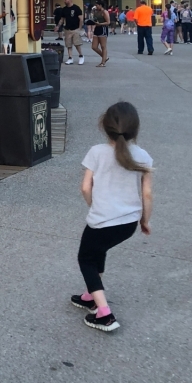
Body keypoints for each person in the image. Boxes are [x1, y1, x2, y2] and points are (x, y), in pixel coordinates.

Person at [72, 101, 153, 333]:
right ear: (135, 130)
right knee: (99, 250)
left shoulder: (97, 152)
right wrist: (144, 220)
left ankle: (104, 314)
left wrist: (94, 206)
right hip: (127, 224)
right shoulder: (143, 156)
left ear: (104, 126)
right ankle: (90, 295)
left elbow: (85, 187)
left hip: (102, 221)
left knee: (86, 259)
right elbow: (147, 193)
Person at [55, 0, 85, 65]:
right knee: (68, 44)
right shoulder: (64, 9)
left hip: (75, 29)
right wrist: (58, 26)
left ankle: (81, 56)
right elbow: (62, 19)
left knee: (77, 44)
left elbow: (81, 19)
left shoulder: (76, 8)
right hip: (67, 29)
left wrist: (80, 28)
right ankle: (70, 58)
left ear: (70, 0)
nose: (64, 1)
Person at [90, 1, 110, 67]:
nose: (96, 7)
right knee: (94, 47)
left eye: (97, 5)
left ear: (100, 5)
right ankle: (105, 57)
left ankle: (103, 62)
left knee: (103, 46)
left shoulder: (104, 12)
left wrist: (100, 24)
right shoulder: (95, 11)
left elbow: (108, 22)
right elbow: (93, 18)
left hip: (102, 28)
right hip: (97, 28)